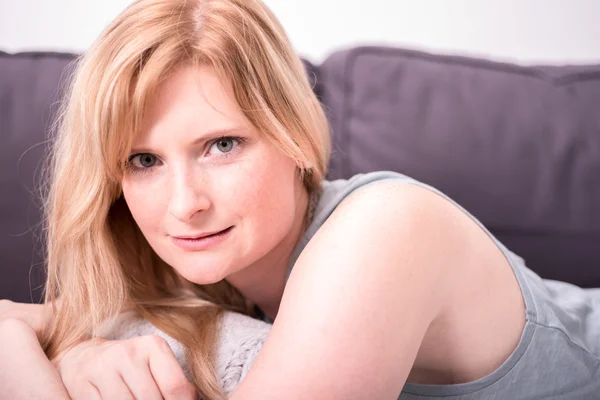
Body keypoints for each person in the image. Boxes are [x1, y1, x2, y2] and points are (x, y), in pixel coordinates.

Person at [1, 0, 599, 399]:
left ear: (299, 138)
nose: (184, 204)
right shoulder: (190, 276)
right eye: (144, 161)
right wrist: (79, 350)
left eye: (221, 145)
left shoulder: (385, 227)